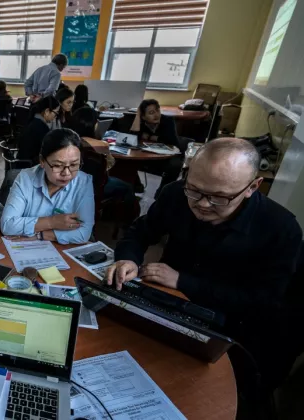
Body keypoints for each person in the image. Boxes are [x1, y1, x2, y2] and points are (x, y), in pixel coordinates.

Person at [106, 138, 302, 413]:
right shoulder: (176, 195)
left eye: (219, 197)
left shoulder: (281, 229)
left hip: (231, 329)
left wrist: (183, 281)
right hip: (167, 305)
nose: (202, 204)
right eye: (195, 190)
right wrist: (128, 258)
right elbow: (140, 231)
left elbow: (263, 302)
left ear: (252, 187)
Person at [1, 128, 94, 244]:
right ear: (42, 161)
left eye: (74, 164)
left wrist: (40, 235)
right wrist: (52, 222)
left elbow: (84, 233)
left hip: (60, 251)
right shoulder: (25, 178)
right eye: (58, 165)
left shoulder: (84, 182)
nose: (67, 173)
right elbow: (8, 225)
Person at [68, 107, 138, 226]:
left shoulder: (66, 141)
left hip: (68, 187)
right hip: (95, 188)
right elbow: (108, 166)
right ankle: (128, 224)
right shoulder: (101, 145)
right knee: (127, 187)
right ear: (94, 124)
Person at [130, 99, 182, 197]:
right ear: (143, 117)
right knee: (127, 161)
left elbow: (171, 140)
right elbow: (132, 138)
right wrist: (137, 116)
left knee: (175, 165)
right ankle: (137, 186)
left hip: (165, 156)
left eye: (157, 110)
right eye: (151, 113)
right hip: (145, 155)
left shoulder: (167, 120)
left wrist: (150, 137)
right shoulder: (140, 123)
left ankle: (162, 193)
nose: (156, 115)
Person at [16, 96, 60, 162]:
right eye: (56, 113)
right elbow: (47, 151)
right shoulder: (40, 127)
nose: (55, 117)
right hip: (30, 166)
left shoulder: (33, 121)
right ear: (47, 111)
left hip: (23, 162)